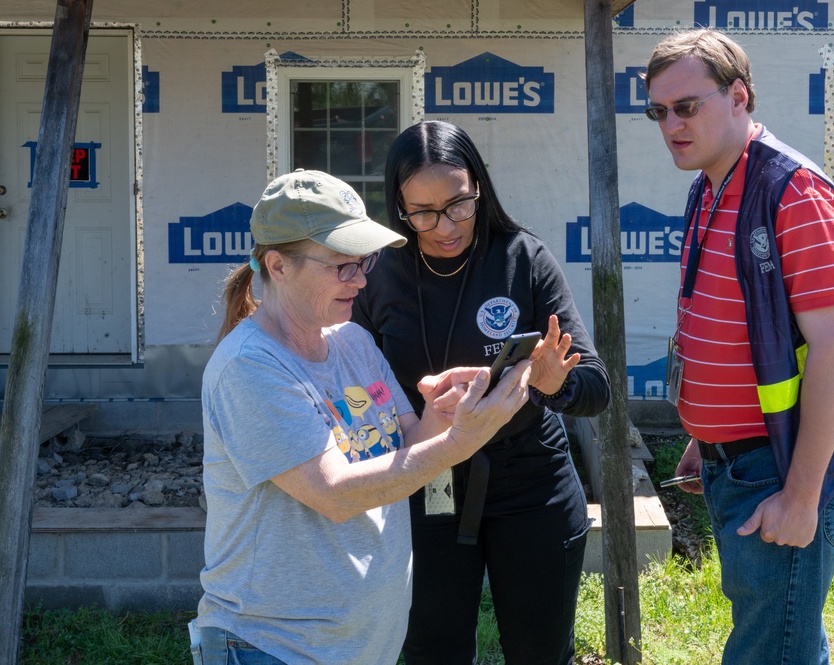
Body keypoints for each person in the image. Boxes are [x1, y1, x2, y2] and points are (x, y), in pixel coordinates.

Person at [193, 169, 532, 665]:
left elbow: (407, 443)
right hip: (273, 648)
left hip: (355, 646)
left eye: (364, 262)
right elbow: (334, 492)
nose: (362, 279)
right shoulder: (249, 365)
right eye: (341, 266)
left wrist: (444, 412)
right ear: (278, 266)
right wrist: (462, 440)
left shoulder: (351, 340)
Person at [643, 29, 834, 664]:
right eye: (658, 112)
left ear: (739, 95)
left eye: (687, 106)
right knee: (784, 639)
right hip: (736, 461)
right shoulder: (708, 186)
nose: (671, 125)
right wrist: (705, 435)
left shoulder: (793, 192)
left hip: (782, 466)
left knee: (769, 652)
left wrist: (800, 497)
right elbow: (729, 329)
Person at [352, 120, 610, 664]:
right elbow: (351, 385)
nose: (444, 226)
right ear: (396, 206)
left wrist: (554, 384)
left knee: (540, 652)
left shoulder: (522, 258)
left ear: (479, 189)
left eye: (458, 205)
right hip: (428, 483)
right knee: (431, 649)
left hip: (530, 484)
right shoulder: (378, 276)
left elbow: (595, 387)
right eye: (421, 212)